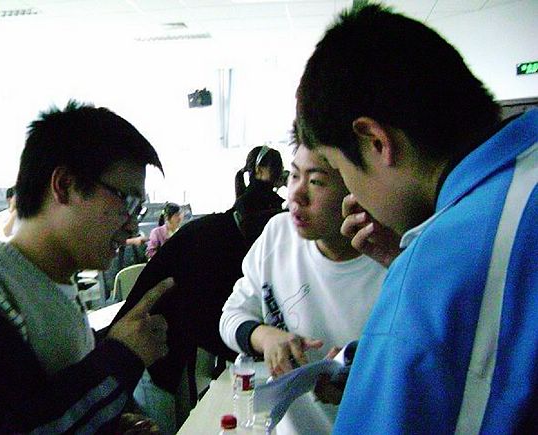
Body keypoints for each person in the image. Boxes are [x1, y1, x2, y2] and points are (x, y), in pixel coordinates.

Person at [296, 3, 537, 433]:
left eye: (338, 169)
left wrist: (420, 271)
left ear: (376, 141)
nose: (353, 194)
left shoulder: (438, 272)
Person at [0, 100, 171, 433]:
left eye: (139, 208)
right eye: (127, 200)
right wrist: (122, 358)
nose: (132, 225)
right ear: (65, 185)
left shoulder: (56, 287)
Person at [219, 144, 388, 434]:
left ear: (356, 189)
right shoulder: (278, 234)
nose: (296, 194)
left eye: (316, 181)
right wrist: (265, 337)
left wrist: (364, 381)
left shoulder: (388, 264)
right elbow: (231, 316)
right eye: (294, 176)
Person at [112, 204, 283, 434]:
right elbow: (204, 321)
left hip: (172, 344)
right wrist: (253, 345)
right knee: (163, 427)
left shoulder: (220, 231)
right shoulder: (214, 243)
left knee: (185, 424)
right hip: (145, 351)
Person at [233, 145, 285, 217]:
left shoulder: (272, 199)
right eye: (275, 167)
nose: (280, 172)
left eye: (281, 167)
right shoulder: (246, 203)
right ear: (259, 170)